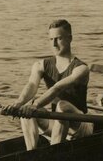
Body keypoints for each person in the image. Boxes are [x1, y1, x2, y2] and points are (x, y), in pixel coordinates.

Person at [6, 19, 93, 149]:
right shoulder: (40, 65)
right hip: (56, 124)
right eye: (51, 39)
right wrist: (18, 103)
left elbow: (57, 88)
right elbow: (31, 85)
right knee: (25, 108)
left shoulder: (81, 69)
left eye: (58, 39)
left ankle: (53, 152)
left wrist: (35, 106)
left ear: (69, 38)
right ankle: (32, 153)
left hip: (80, 126)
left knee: (62, 106)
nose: (54, 44)